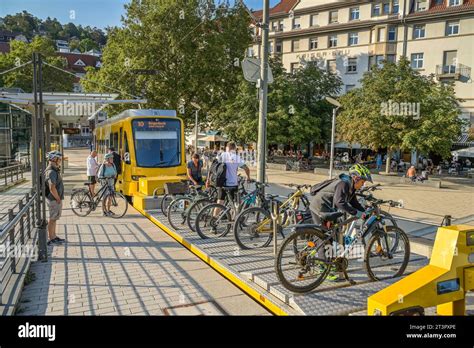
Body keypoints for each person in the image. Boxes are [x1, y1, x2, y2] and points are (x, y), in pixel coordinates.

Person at [309, 164, 372, 281]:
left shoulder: (351, 187)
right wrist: (356, 213)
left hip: (327, 209)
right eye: (362, 181)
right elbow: (339, 202)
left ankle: (325, 260)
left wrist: (364, 212)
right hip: (320, 208)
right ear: (356, 178)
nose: (363, 184)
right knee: (325, 237)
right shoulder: (344, 184)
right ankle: (323, 268)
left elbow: (354, 203)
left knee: (329, 237)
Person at [206, 141, 251, 206]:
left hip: (222, 183)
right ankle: (233, 215)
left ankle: (214, 216)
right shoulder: (236, 157)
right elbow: (246, 168)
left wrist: (208, 179)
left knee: (220, 202)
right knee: (235, 204)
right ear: (235, 148)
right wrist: (248, 177)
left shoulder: (221, 155)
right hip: (232, 184)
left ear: (227, 147)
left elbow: (212, 167)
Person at [44, 151, 66, 245]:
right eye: (59, 159)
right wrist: (57, 198)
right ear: (54, 159)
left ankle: (54, 236)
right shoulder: (51, 171)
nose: (60, 161)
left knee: (54, 218)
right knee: (52, 219)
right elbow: (52, 187)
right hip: (53, 199)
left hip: (54, 199)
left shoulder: (54, 170)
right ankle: (51, 238)